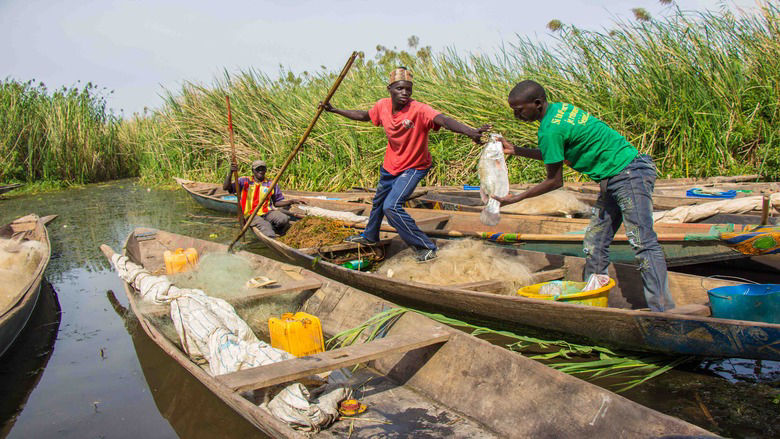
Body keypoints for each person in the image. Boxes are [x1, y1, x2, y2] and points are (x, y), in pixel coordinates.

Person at [493, 80, 675, 312]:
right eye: (513, 110)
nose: (516, 114)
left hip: (628, 174)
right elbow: (556, 154)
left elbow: (554, 181)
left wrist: (516, 198)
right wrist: (516, 150)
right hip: (614, 177)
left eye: (519, 109)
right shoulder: (561, 110)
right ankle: (593, 300)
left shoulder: (550, 129)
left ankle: (663, 310)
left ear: (537, 103)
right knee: (595, 242)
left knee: (643, 242)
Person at [322, 67, 489, 262]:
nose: (405, 93)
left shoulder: (419, 109)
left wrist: (469, 131)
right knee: (378, 203)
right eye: (400, 89)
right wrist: (335, 110)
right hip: (391, 165)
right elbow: (364, 116)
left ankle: (425, 247)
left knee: (391, 206)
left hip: (414, 166)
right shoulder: (382, 106)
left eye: (408, 89)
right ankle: (369, 236)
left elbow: (443, 120)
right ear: (390, 89)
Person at [223, 159, 304, 238]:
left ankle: (279, 233)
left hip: (266, 212)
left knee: (284, 219)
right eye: (258, 169)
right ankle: (271, 238)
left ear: (265, 170)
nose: (260, 171)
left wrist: (291, 201)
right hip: (250, 214)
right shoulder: (244, 181)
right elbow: (226, 187)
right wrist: (231, 172)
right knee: (266, 227)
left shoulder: (271, 184)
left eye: (263, 169)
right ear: (253, 171)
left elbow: (276, 202)